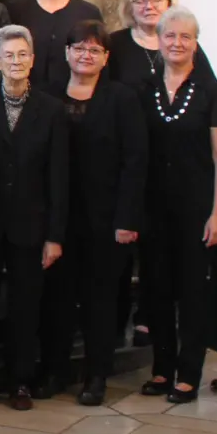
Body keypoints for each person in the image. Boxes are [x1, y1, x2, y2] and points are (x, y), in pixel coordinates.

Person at [0, 25, 69, 411]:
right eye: (9, 55)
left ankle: (20, 380)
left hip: (32, 224)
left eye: (23, 54)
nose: (17, 61)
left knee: (26, 305)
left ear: (33, 60)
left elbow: (59, 175)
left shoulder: (52, 109)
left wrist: (54, 235)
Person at [42, 20, 145, 406]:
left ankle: (96, 374)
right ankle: (54, 370)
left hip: (106, 219)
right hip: (58, 217)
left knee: (100, 299)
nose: (86, 55)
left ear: (106, 58)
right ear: (67, 52)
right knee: (57, 298)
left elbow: (136, 162)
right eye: (79, 48)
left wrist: (127, 219)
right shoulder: (48, 93)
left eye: (94, 50)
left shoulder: (122, 98)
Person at [136, 6, 217, 404]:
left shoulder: (212, 92)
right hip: (153, 206)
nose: (177, 43)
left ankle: (189, 374)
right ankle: (161, 369)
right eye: (169, 36)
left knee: (193, 293)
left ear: (195, 43)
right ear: (159, 41)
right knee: (157, 289)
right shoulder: (145, 89)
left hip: (197, 207)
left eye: (185, 37)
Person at [107, 0, 215, 89]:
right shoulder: (114, 43)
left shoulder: (184, 43)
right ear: (130, 8)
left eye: (157, 0)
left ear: (168, 4)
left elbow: (209, 88)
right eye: (140, 1)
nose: (149, 6)